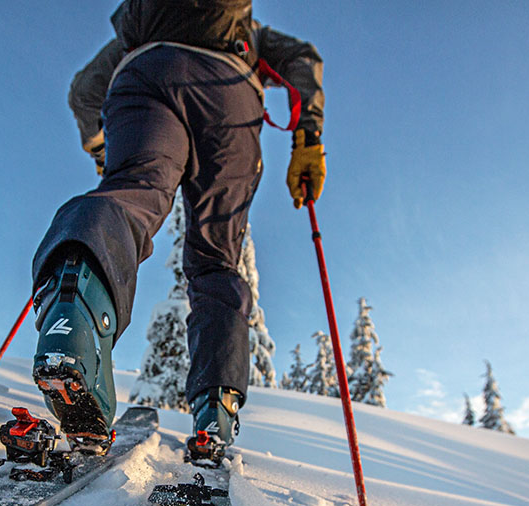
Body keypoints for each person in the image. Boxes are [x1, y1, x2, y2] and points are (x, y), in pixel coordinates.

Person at [31, 0, 325, 460]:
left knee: (131, 195)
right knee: (216, 257)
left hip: (145, 77)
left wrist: (102, 150)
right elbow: (303, 60)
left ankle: (72, 322)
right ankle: (216, 412)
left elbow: (84, 91)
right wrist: (308, 134)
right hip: (229, 95)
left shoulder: (145, 24)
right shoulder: (247, 30)